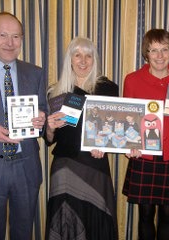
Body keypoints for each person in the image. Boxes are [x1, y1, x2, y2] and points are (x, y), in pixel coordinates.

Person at [0, 12, 47, 239]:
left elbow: (43, 113)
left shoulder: (35, 73)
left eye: (16, 36)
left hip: (26, 167)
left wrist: (41, 119)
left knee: (23, 233)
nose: (10, 43)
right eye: (3, 35)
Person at [122, 29, 169, 240]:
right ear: (146, 53)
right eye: (154, 50)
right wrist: (129, 144)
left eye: (164, 50)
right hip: (144, 155)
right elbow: (128, 120)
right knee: (145, 215)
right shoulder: (133, 80)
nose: (160, 56)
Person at [45, 37, 119, 240]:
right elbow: (50, 138)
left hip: (95, 164)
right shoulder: (56, 91)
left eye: (88, 56)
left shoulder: (107, 88)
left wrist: (104, 143)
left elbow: (115, 129)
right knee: (65, 223)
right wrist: (49, 128)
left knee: (96, 221)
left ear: (94, 60)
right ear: (70, 59)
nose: (83, 61)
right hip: (65, 167)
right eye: (77, 55)